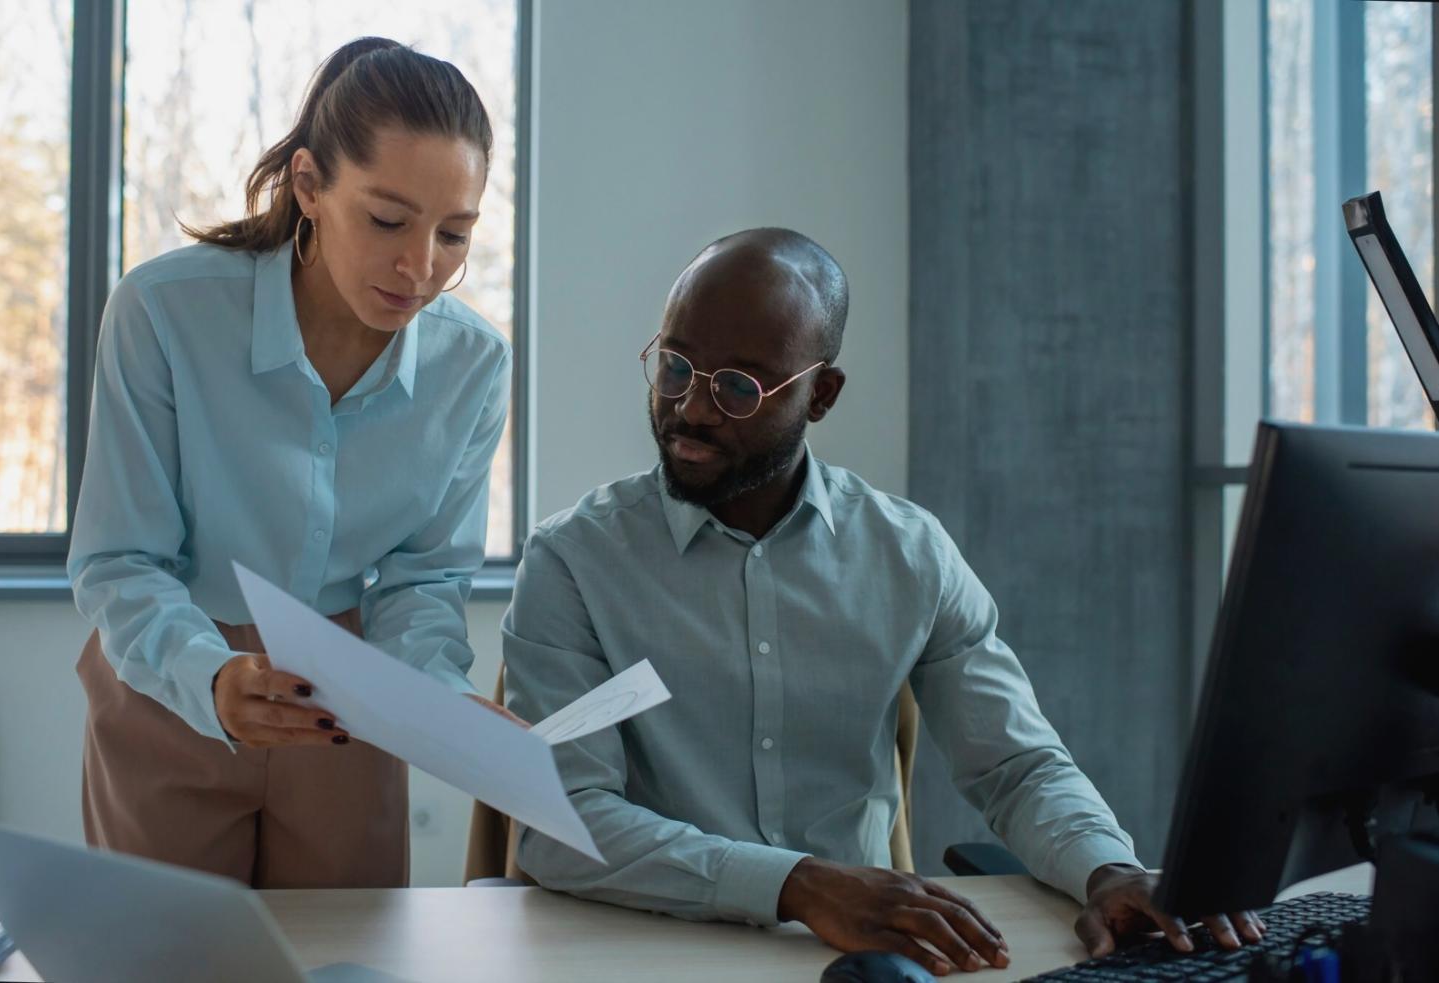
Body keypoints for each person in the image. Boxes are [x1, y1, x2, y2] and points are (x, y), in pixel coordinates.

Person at [502, 228, 1264, 975]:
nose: (692, 409)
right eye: (674, 368)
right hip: (638, 949)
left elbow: (1015, 766)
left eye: (738, 386)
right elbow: (562, 822)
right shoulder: (575, 561)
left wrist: (1106, 868)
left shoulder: (907, 553)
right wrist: (796, 883)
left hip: (856, 962)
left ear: (821, 394)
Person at [68, 36, 514, 889]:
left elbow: (424, 581)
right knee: (167, 950)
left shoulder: (474, 365)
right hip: (171, 682)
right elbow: (119, 559)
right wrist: (208, 675)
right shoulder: (162, 312)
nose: (421, 267)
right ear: (308, 185)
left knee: (345, 949)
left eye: (454, 234)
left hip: (350, 707)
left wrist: (443, 704)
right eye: (388, 220)